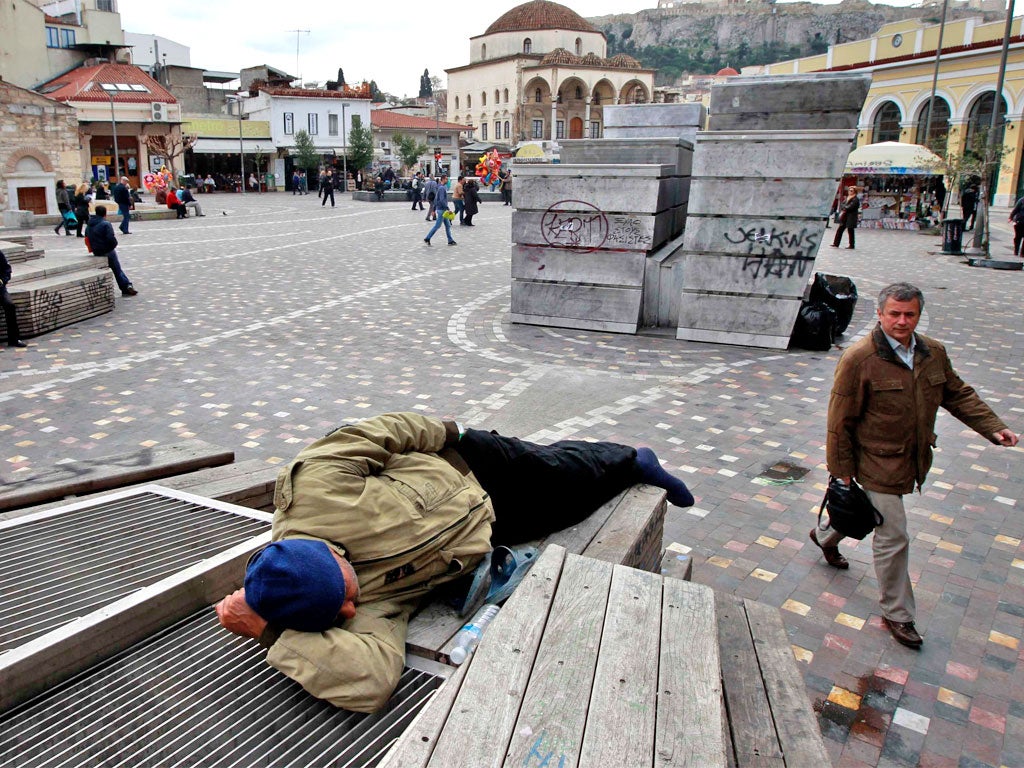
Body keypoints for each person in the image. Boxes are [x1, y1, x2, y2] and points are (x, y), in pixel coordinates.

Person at [215, 412, 694, 712]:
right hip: (487, 528)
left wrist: (454, 431)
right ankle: (621, 469)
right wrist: (268, 633)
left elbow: (380, 432)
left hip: (466, 463)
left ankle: (637, 459)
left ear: (330, 555)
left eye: (343, 596)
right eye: (337, 616)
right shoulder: (352, 609)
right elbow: (370, 683)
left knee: (558, 468)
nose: (348, 612)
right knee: (574, 509)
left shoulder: (316, 485)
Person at [813, 283, 1017, 649]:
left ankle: (827, 536)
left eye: (910, 314)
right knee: (894, 535)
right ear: (880, 314)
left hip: (911, 459)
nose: (902, 321)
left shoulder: (932, 353)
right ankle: (898, 613)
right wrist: (840, 469)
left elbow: (957, 393)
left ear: (919, 315)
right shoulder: (859, 358)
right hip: (873, 460)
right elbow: (839, 419)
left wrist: (993, 426)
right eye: (895, 313)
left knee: (868, 515)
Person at [85, 205, 138, 297]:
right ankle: (126, 286)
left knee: (115, 268)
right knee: (117, 269)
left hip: (96, 251)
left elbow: (87, 238)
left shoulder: (89, 225)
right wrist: (113, 246)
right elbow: (111, 239)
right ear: (105, 214)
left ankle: (126, 285)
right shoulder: (105, 224)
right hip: (107, 251)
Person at [1, 250, 27, 349]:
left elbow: (7, 270)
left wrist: (2, 281)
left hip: (0, 289)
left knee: (9, 305)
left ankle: (14, 339)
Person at [424, 175, 455, 246]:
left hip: (441, 209)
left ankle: (450, 240)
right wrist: (447, 208)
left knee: (447, 225)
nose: (447, 181)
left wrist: (434, 209)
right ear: (443, 179)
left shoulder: (440, 187)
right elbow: (441, 200)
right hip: (442, 210)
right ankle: (427, 238)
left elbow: (436, 199)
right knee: (437, 225)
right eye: (447, 179)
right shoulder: (442, 188)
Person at [831, 185, 859, 249]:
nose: (850, 192)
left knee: (850, 231)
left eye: (851, 191)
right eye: (849, 190)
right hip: (845, 216)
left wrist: (845, 207)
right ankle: (836, 243)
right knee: (840, 230)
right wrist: (845, 207)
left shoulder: (855, 199)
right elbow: (843, 204)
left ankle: (852, 245)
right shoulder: (847, 197)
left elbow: (850, 207)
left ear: (855, 192)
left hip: (851, 217)